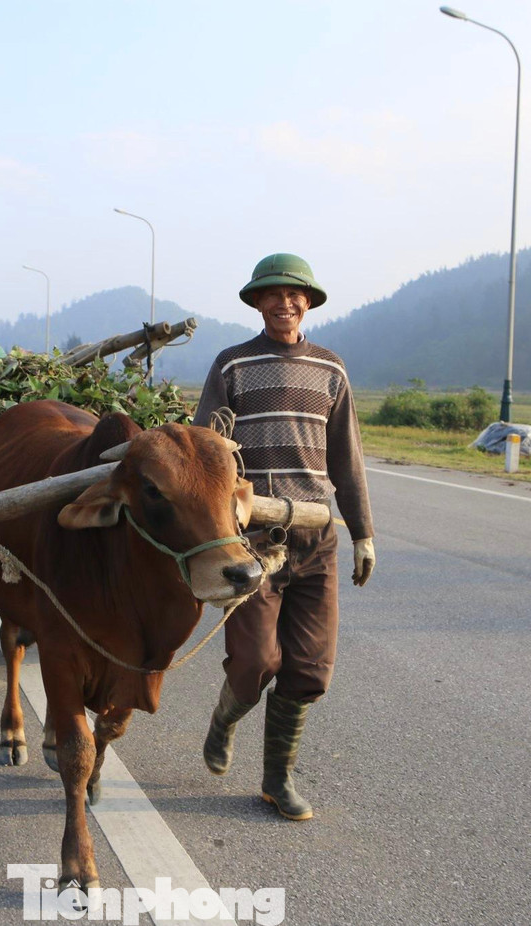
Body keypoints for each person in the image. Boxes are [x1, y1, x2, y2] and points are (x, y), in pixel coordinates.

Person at [192, 252, 376, 821]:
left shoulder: (331, 370)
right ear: (256, 303)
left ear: (309, 302)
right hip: (254, 541)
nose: (284, 303)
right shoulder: (232, 367)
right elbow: (203, 452)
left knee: (310, 668)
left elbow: (347, 458)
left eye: (294, 294)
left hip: (317, 537)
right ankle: (225, 718)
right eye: (271, 295)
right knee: (254, 661)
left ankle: (277, 779)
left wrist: (364, 534)